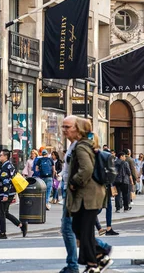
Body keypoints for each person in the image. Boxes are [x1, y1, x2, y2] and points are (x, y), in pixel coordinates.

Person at [59, 116, 113, 273]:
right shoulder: (79, 145)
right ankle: (97, 257)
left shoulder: (81, 147)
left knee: (79, 229)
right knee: (79, 228)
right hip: (83, 195)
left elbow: (87, 169)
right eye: (63, 127)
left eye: (67, 127)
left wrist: (74, 182)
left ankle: (92, 261)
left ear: (77, 129)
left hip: (86, 196)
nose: (64, 130)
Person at [0, 149, 27, 239]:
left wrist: (5, 195)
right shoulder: (10, 165)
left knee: (1, 213)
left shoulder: (5, 167)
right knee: (5, 212)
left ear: (6, 156)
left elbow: (6, 181)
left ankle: (3, 233)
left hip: (6, 192)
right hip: (10, 192)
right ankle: (21, 225)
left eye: (1, 155)